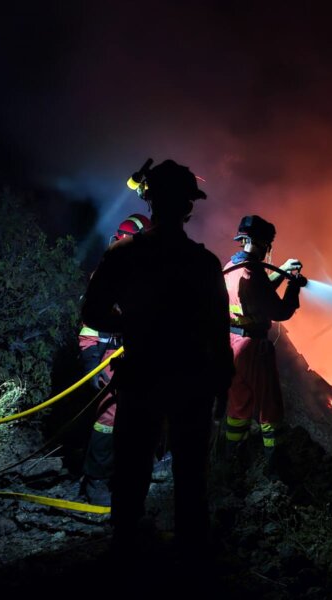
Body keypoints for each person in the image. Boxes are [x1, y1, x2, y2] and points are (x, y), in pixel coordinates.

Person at [81, 159, 233, 560]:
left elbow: (92, 313)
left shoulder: (123, 254)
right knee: (190, 472)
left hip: (141, 376)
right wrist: (222, 385)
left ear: (148, 201)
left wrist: (131, 323)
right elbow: (220, 334)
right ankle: (190, 554)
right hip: (191, 381)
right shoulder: (204, 264)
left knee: (132, 467)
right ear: (189, 208)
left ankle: (125, 546)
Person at [222, 215, 307, 481]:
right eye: (268, 244)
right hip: (254, 348)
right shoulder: (253, 272)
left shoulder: (232, 267)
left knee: (238, 406)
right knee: (270, 406)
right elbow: (279, 311)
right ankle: (276, 467)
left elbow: (257, 295)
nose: (268, 249)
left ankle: (232, 462)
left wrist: (280, 269)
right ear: (261, 243)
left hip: (232, 343)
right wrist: (293, 286)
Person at [78, 214, 154, 507]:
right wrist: (91, 359)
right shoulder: (108, 272)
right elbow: (90, 323)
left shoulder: (151, 272)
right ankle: (95, 480)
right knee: (108, 419)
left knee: (142, 416)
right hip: (112, 354)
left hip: (144, 355)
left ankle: (130, 474)